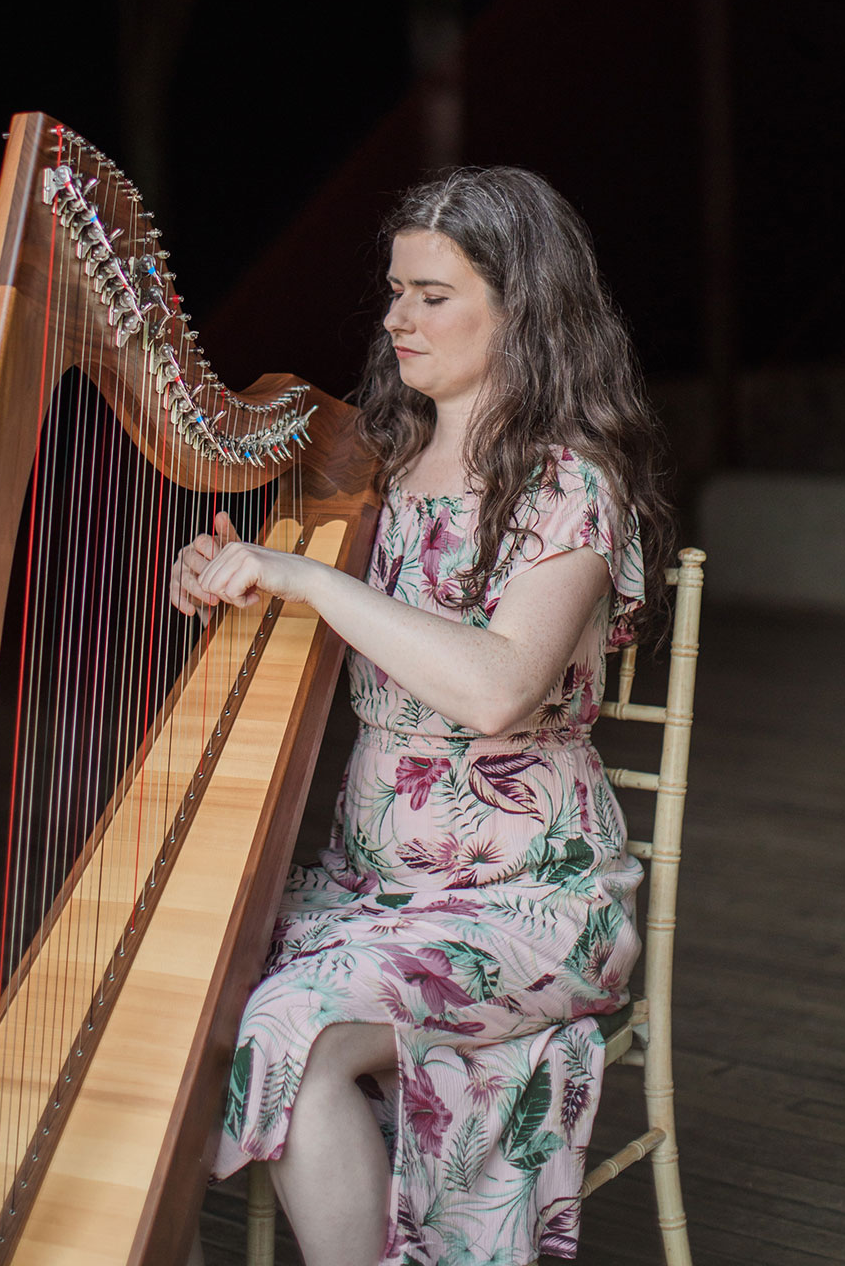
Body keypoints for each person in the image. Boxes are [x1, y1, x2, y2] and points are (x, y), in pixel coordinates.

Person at [169, 167, 675, 1266]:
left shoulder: (570, 482)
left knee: (287, 1030)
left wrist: (306, 582)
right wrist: (221, 574)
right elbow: (320, 624)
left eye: (433, 294)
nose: (398, 316)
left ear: (524, 307)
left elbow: (499, 687)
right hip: (367, 886)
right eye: (396, 290)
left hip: (523, 898)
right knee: (183, 1007)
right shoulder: (374, 467)